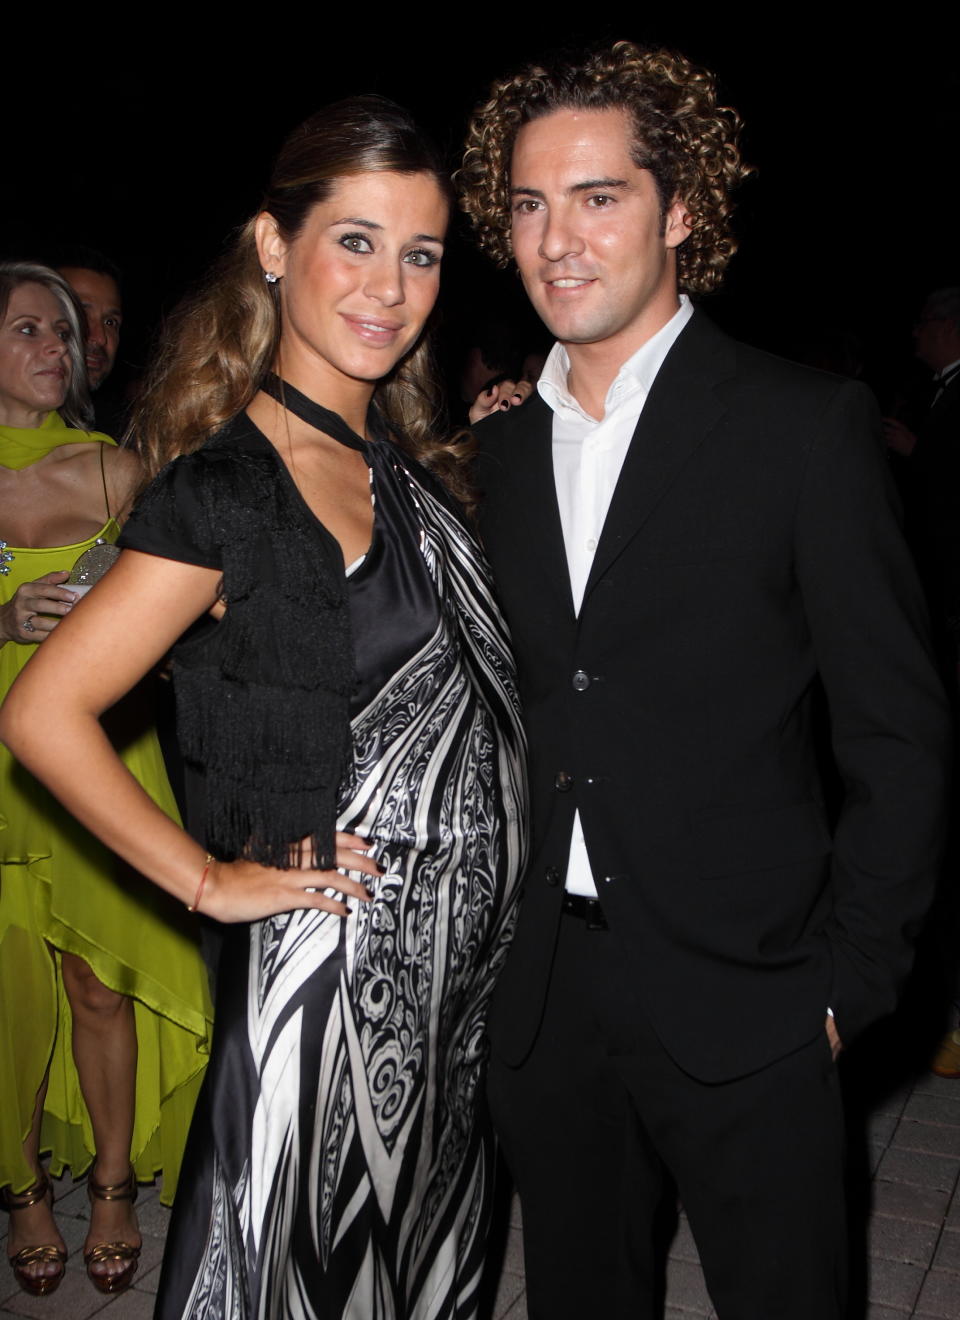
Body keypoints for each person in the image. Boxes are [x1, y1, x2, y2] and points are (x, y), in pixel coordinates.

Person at [1, 96, 526, 1319]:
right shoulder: (228, 488)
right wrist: (201, 878)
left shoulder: (404, 463)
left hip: (447, 995)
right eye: (355, 240)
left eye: (422, 253)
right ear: (274, 247)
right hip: (325, 991)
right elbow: (43, 712)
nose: (389, 286)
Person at [457, 41, 951, 1320]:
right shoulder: (493, 450)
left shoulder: (804, 427)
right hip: (544, 995)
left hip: (757, 993)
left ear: (682, 212)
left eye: (598, 196)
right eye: (527, 203)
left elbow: (897, 732)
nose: (556, 239)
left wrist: (853, 984)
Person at [0, 262, 212, 1297]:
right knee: (4, 990)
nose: (61, 350)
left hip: (95, 749)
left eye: (69, 333)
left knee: (99, 979)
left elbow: (177, 621)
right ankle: (24, 1188)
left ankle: (118, 1185)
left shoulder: (115, 473)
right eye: (32, 330)